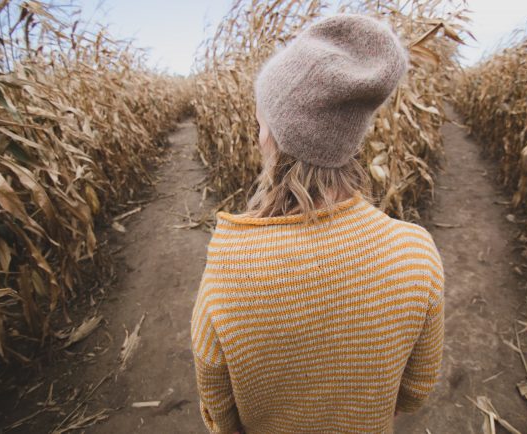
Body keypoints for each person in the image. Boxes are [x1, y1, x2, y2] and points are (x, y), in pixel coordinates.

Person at [190, 13, 444, 434]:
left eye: (260, 123)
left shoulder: (228, 271)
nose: (257, 136)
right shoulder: (416, 252)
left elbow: (219, 412)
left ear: (275, 137)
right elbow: (416, 390)